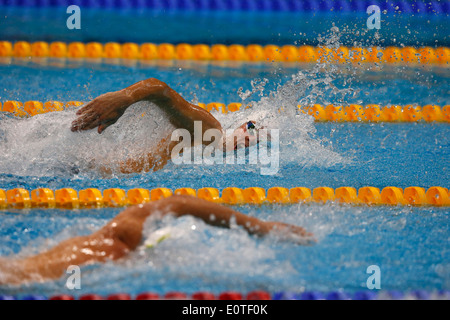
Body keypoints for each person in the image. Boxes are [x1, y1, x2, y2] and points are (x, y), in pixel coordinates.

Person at [0, 195, 314, 285]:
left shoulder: (117, 239)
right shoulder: (114, 240)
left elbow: (179, 204)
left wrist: (259, 227)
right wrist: (259, 228)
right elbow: (178, 203)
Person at [70, 78, 261, 173]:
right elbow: (160, 89)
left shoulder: (205, 153)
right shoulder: (211, 132)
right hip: (81, 166)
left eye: (253, 135)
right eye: (250, 126)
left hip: (85, 167)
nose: (247, 133)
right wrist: (124, 98)